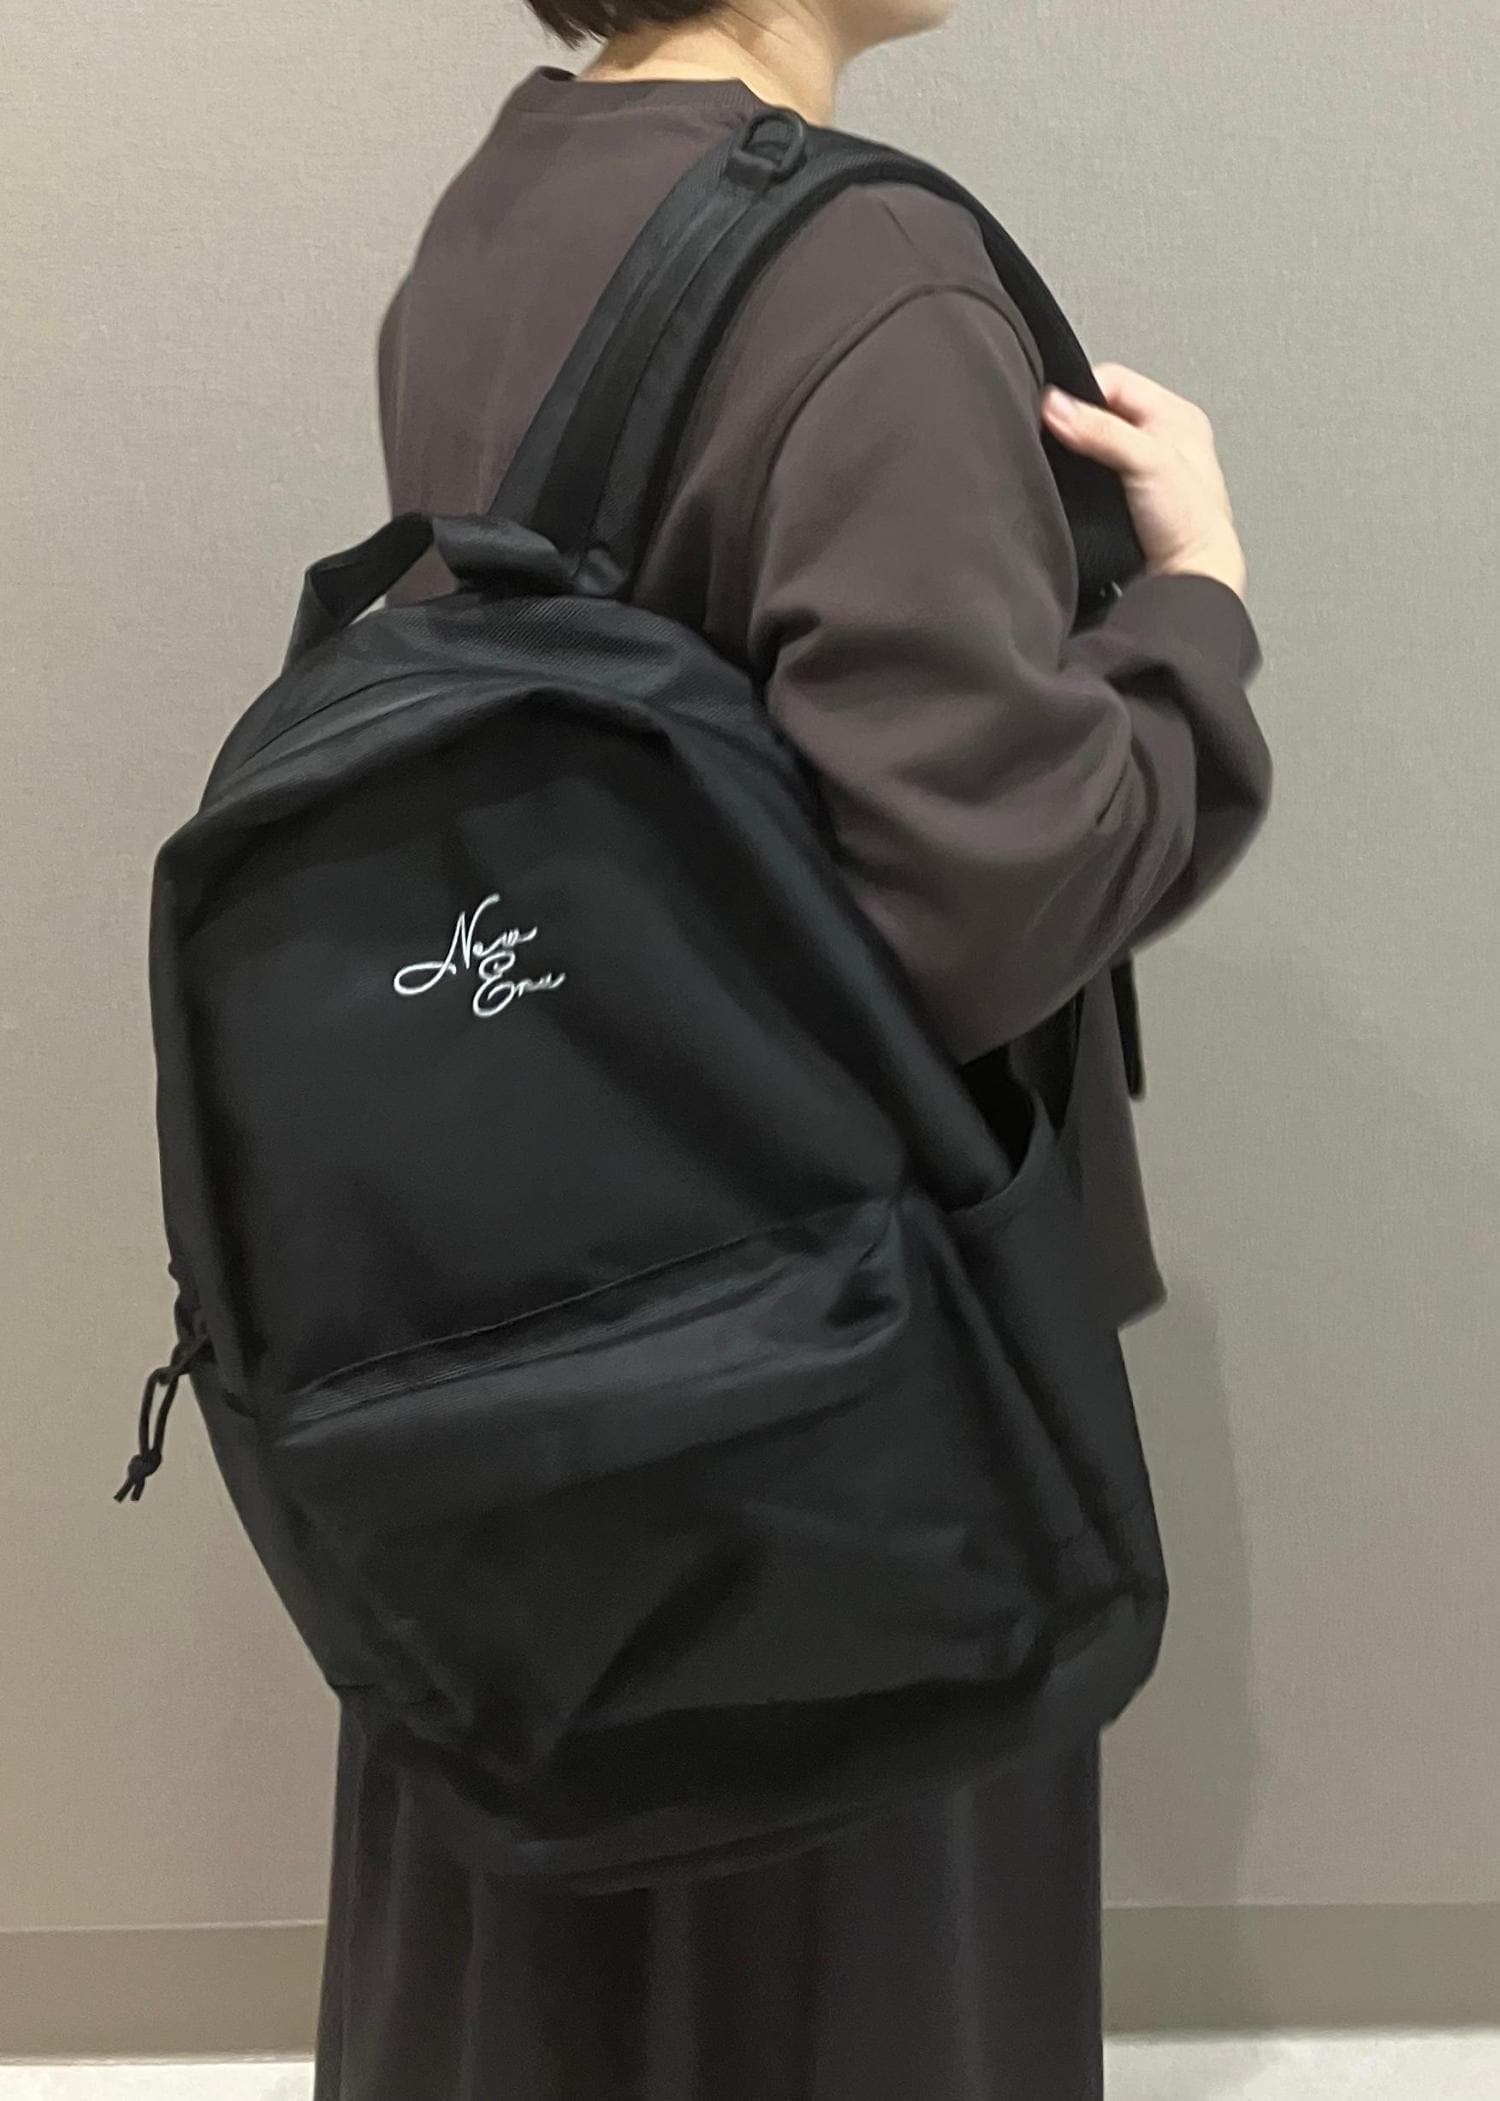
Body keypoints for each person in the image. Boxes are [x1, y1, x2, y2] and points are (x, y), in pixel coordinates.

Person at [313, 0, 1270, 2094]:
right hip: (837, 1380)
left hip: (543, 1311)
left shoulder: (503, 200)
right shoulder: (866, 275)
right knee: (850, 1975)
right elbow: (985, 893)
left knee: (568, 1937)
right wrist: (1194, 606)